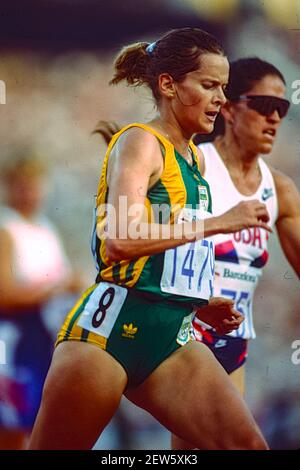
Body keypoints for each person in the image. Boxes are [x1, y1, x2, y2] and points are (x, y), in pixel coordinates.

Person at [28, 28, 270, 450]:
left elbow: (170, 249)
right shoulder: (141, 141)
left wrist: (199, 300)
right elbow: (119, 240)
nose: (220, 99)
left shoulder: (194, 157)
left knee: (247, 445)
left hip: (172, 333)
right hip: (110, 332)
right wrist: (221, 222)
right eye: (209, 85)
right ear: (168, 84)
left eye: (224, 88)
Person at [172, 58, 300, 449]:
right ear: (228, 107)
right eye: (263, 106)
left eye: (281, 108)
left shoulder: (279, 189)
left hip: (234, 342)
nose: (274, 118)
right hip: (184, 335)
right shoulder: (193, 165)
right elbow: (152, 242)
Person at [0, 154, 81, 449]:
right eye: (23, 185)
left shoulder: (45, 227)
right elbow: (5, 294)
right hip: (15, 337)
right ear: (10, 187)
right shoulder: (7, 229)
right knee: (12, 425)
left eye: (35, 185)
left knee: (39, 423)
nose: (31, 193)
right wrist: (55, 287)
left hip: (44, 336)